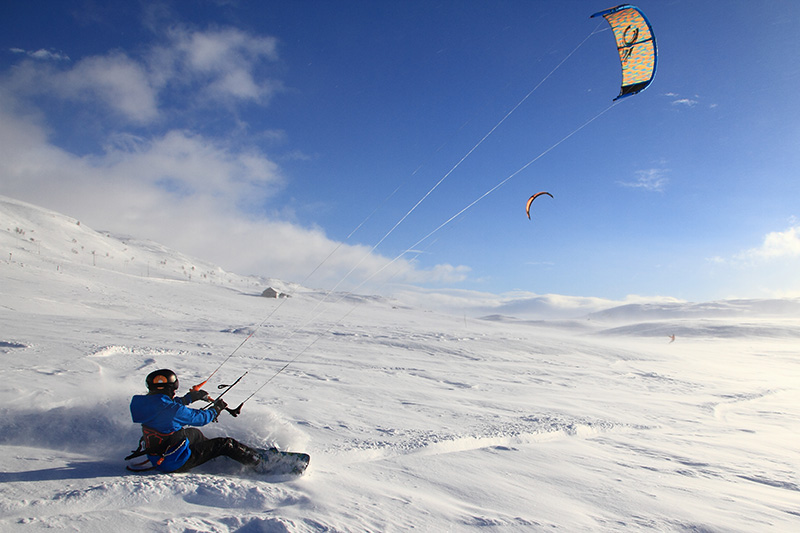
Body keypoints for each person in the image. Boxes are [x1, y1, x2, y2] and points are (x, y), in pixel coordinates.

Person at [129, 368, 264, 473]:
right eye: (174, 390)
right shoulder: (173, 410)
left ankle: (212, 455)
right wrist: (216, 409)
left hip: (157, 456)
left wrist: (189, 398)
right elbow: (201, 418)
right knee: (225, 444)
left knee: (194, 433)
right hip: (175, 462)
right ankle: (260, 463)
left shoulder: (141, 404)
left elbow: (164, 405)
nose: (175, 393)